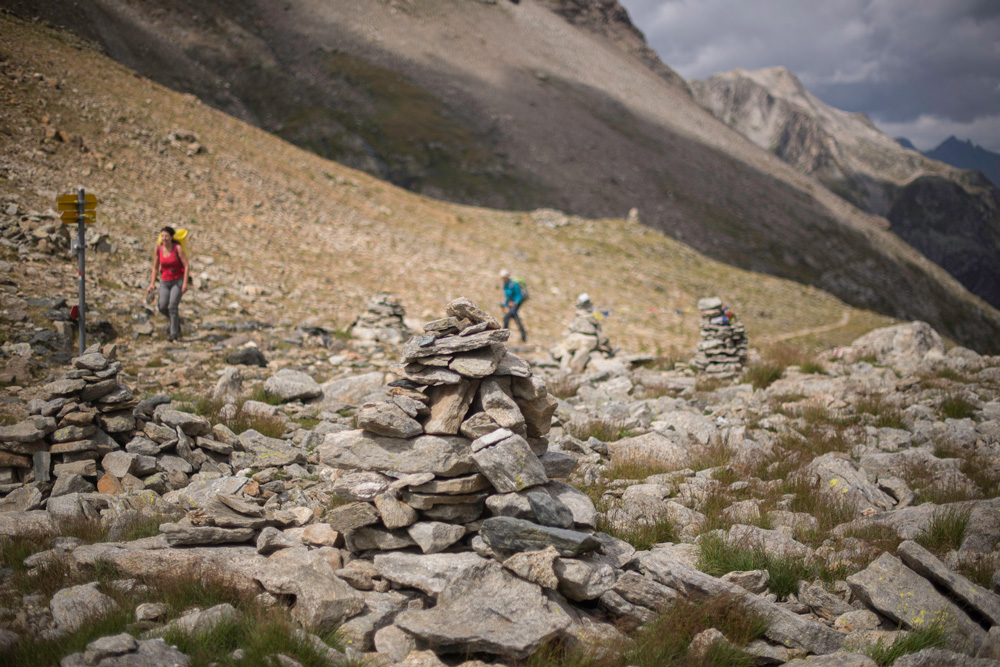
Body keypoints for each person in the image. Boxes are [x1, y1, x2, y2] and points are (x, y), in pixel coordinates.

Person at [146, 226, 189, 341]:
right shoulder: (159, 250)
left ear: (171, 237)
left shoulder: (177, 248)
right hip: (165, 281)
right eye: (162, 236)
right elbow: (155, 267)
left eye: (166, 236)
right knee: (162, 306)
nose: (164, 238)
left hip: (178, 280)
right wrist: (152, 283)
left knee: (172, 306)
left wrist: (185, 283)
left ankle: (174, 334)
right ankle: (175, 321)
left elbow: (186, 265)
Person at [499, 269, 527, 342]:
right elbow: (507, 297)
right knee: (515, 319)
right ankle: (523, 336)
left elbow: (519, 295)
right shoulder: (505, 285)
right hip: (510, 304)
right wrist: (505, 304)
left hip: (516, 304)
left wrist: (514, 303)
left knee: (506, 318)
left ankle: (504, 337)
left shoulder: (514, 284)